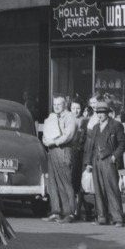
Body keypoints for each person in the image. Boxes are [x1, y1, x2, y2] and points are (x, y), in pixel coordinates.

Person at [82, 100, 125, 226]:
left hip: (109, 160)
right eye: (97, 112)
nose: (99, 115)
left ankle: (118, 218)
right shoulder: (96, 127)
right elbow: (91, 146)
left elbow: (123, 143)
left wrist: (114, 156)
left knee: (112, 189)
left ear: (108, 113)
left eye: (102, 112)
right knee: (99, 190)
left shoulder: (115, 125)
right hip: (96, 161)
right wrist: (89, 164)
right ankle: (102, 217)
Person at [41, 94, 78, 223]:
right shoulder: (51, 117)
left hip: (64, 150)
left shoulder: (70, 117)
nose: (56, 107)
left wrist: (53, 142)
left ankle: (69, 213)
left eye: (59, 104)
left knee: (65, 182)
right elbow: (47, 131)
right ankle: (56, 211)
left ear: (65, 105)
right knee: (53, 182)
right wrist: (45, 140)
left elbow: (68, 135)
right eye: (54, 104)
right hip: (52, 151)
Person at [69, 98, 92, 221]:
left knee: (78, 183)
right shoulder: (68, 120)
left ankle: (77, 210)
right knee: (73, 182)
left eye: (77, 108)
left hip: (80, 154)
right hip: (70, 153)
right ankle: (86, 206)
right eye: (73, 108)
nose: (75, 110)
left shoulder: (85, 121)